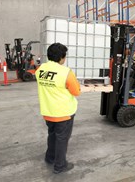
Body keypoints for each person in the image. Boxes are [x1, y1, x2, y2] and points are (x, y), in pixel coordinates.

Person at [36, 43, 81, 174]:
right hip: (63, 112)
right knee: (62, 138)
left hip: (48, 111)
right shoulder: (66, 72)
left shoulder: (41, 69)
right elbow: (76, 91)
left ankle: (50, 157)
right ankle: (60, 166)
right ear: (62, 57)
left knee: (52, 135)